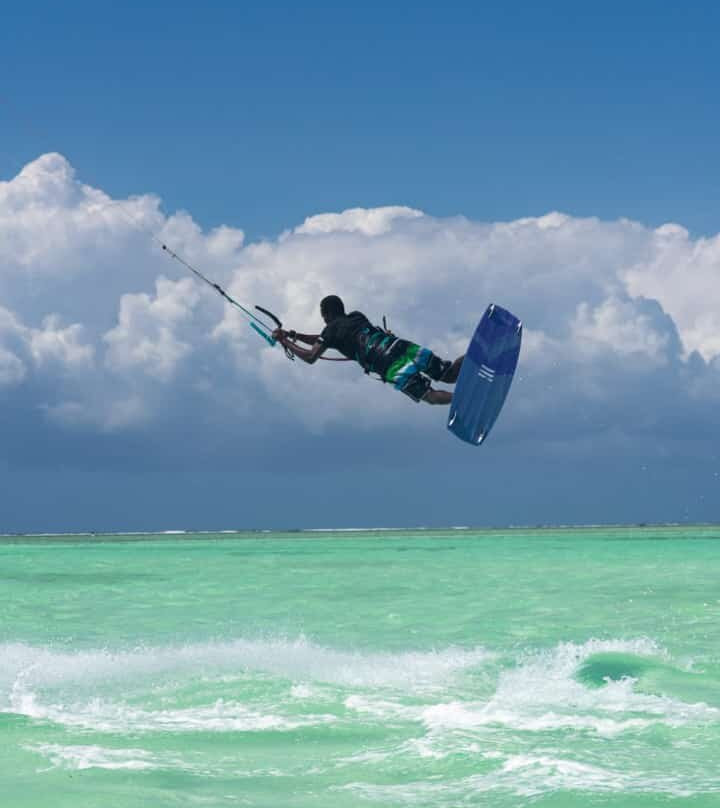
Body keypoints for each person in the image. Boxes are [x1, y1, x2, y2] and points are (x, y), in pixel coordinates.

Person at [272, 295, 464, 404]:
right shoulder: (356, 316)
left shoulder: (330, 331)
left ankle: (464, 401)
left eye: (323, 316)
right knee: (449, 374)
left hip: (387, 363)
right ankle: (477, 354)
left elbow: (311, 356)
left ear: (326, 314)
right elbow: (324, 339)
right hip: (400, 345)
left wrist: (284, 341)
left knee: (428, 395)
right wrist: (294, 335)